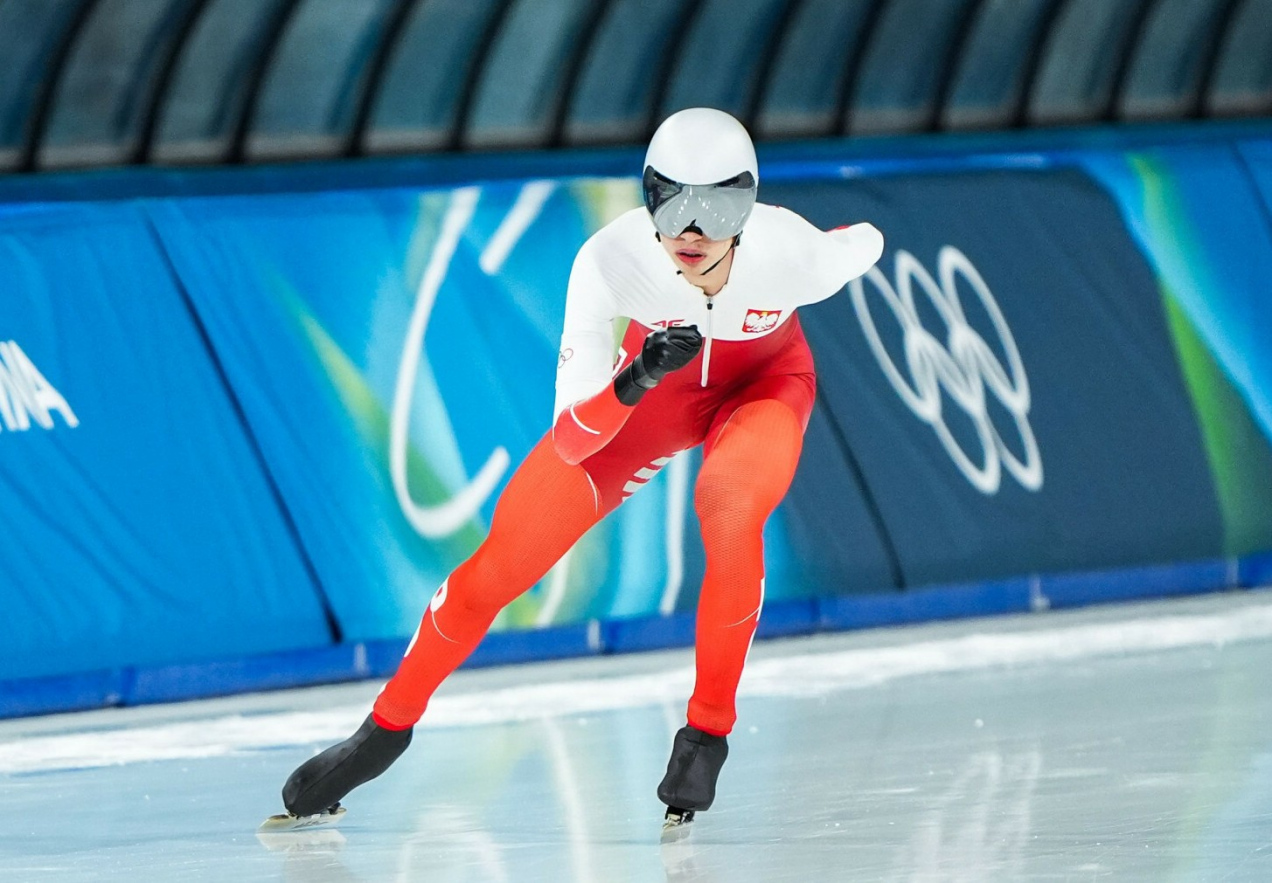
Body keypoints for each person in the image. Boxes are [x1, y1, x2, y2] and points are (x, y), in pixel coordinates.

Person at [273, 107, 884, 831]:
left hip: (763, 387)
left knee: (729, 506)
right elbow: (571, 440)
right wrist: (634, 380)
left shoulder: (793, 254)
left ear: (749, 205)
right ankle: (380, 733)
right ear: (646, 197)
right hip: (650, 397)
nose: (691, 230)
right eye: (671, 200)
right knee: (494, 569)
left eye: (716, 205)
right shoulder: (610, 260)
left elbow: (863, 241)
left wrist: (848, 237)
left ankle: (706, 734)